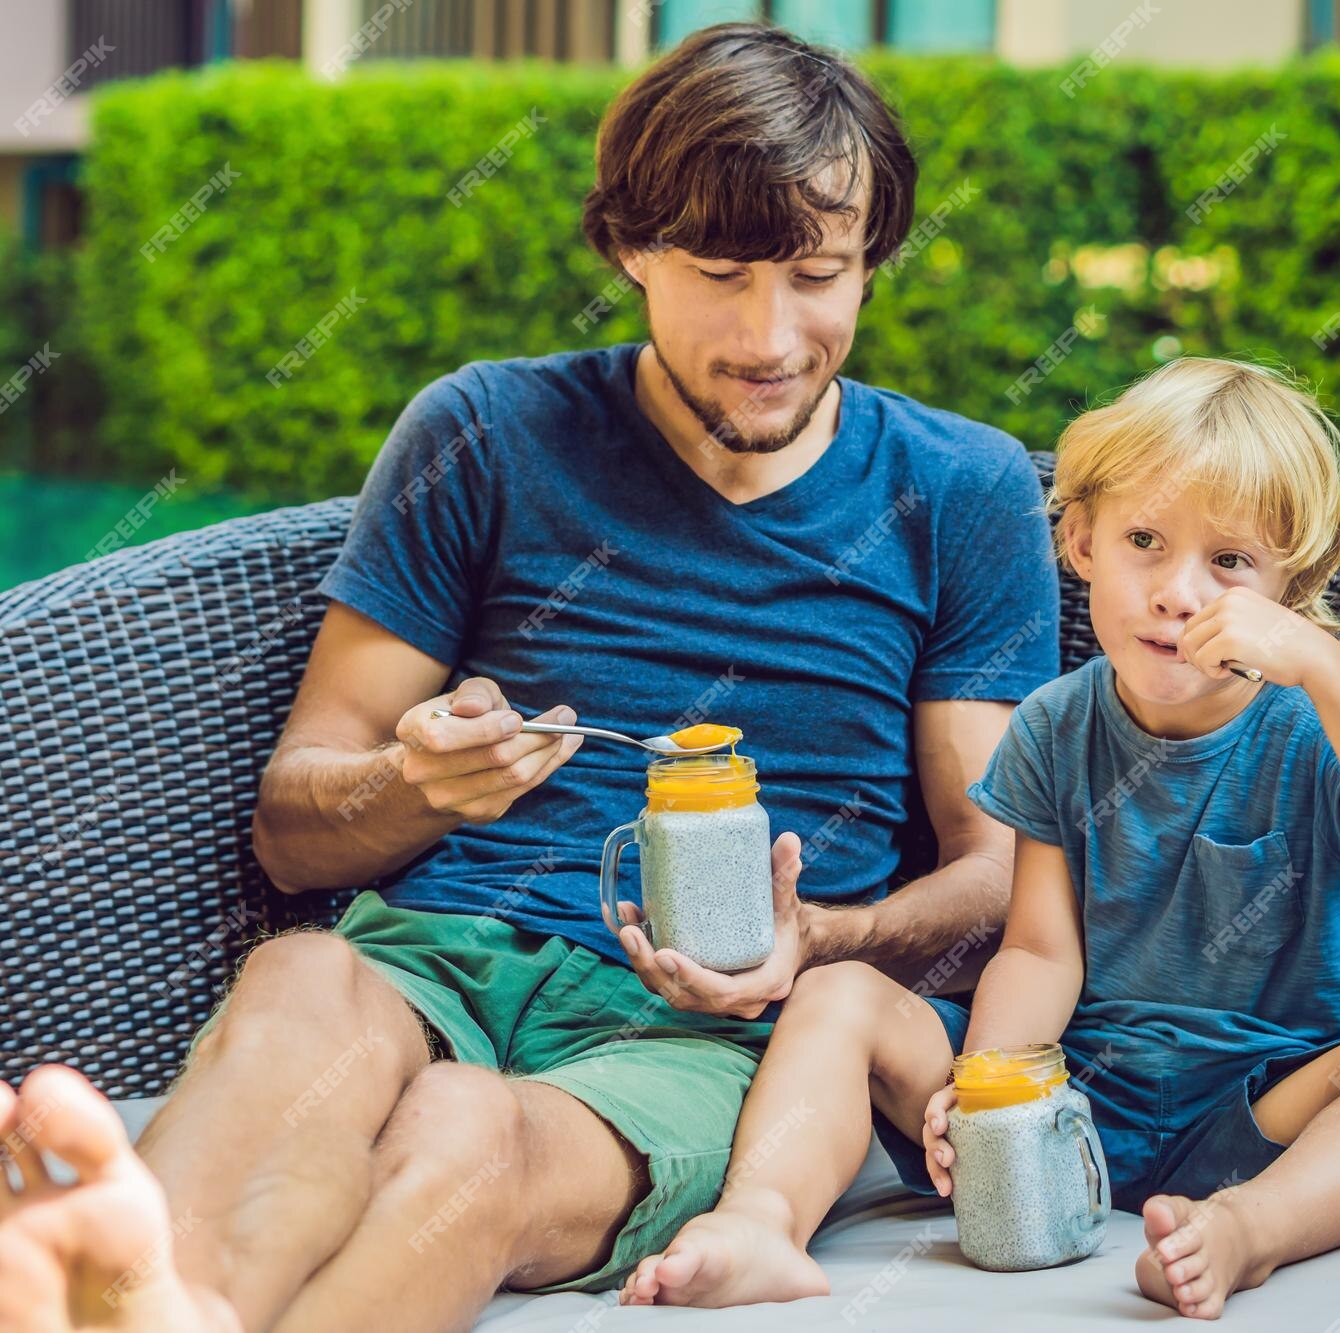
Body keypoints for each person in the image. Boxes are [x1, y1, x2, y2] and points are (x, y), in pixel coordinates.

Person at [0, 23, 1057, 1333]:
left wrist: (823, 940)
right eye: (718, 273)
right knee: (304, 983)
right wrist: (413, 782)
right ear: (627, 246)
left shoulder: (961, 490)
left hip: (704, 1037)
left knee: (467, 1133)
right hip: (432, 954)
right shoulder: (490, 433)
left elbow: (991, 873)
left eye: (815, 275)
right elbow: (294, 829)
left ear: (871, 262)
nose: (770, 333)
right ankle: (148, 1303)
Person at [619, 357, 1340, 1320]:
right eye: (1143, 540)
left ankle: (1252, 1230)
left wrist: (1326, 668)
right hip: (1074, 1098)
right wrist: (992, 1086)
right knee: (837, 994)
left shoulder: (1322, 726)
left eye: (1231, 562)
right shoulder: (1054, 722)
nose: (1178, 592)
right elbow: (1039, 948)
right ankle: (763, 1219)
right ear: (1081, 540)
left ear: (1291, 590)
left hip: (1276, 1107)